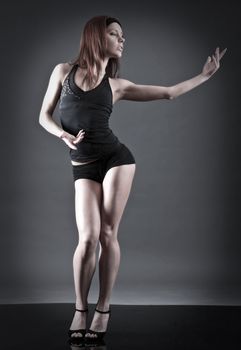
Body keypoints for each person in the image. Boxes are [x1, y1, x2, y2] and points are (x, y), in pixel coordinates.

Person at [39, 15, 227, 344]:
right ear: (97, 36)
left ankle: (104, 309)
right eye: (115, 34)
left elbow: (169, 93)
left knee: (108, 233)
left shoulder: (116, 87)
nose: (122, 40)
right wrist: (62, 135)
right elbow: (44, 115)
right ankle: (80, 307)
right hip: (82, 163)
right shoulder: (62, 72)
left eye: (122, 36)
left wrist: (204, 75)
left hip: (117, 160)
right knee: (87, 240)